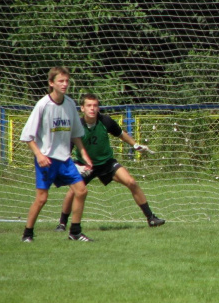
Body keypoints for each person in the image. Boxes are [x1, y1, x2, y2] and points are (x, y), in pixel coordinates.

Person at [55, 93, 165, 231]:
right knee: (73, 191)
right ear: (82, 108)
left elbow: (120, 133)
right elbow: (66, 152)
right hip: (85, 165)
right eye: (89, 105)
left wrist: (135, 145)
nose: (92, 108)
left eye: (95, 105)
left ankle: (151, 218)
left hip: (107, 163)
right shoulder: (76, 126)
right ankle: (62, 223)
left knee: (131, 182)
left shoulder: (105, 121)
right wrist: (75, 166)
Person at [19, 66, 94, 242]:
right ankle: (27, 233)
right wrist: (39, 155)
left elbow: (76, 134)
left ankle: (75, 232)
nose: (65, 84)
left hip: (65, 159)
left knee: (81, 191)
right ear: (51, 83)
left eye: (67, 81)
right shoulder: (43, 105)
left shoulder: (69, 104)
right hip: (46, 159)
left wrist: (85, 156)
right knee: (42, 199)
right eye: (61, 81)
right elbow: (28, 136)